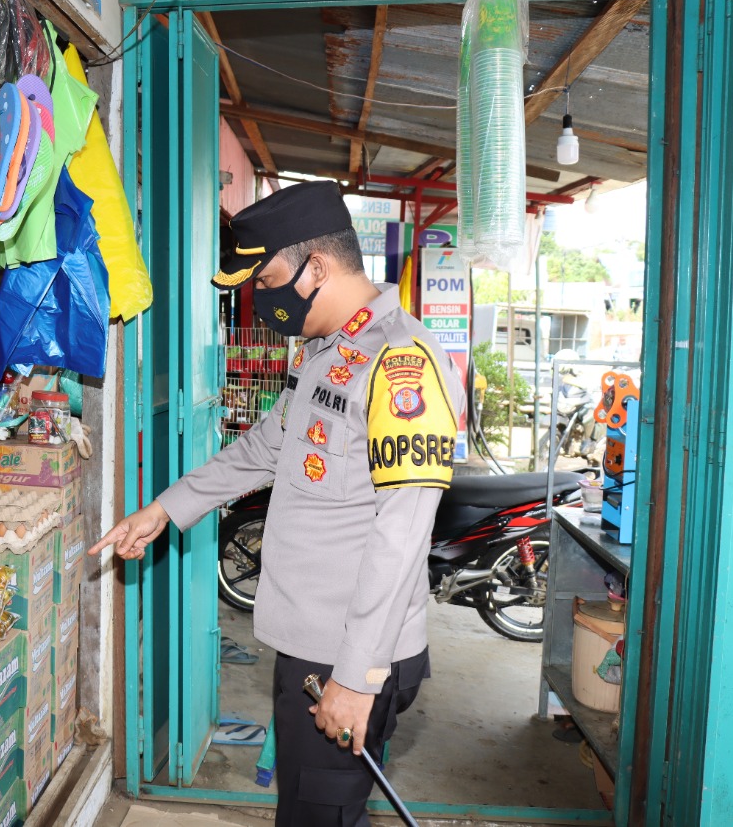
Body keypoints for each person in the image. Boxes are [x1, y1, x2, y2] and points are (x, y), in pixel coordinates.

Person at [90, 180, 465, 826]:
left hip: (351, 654)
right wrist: (166, 508)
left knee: (320, 815)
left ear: (318, 266)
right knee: (302, 807)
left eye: (266, 278)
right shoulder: (329, 347)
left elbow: (402, 535)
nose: (259, 296)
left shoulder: (401, 363)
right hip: (313, 648)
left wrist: (356, 678)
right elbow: (269, 446)